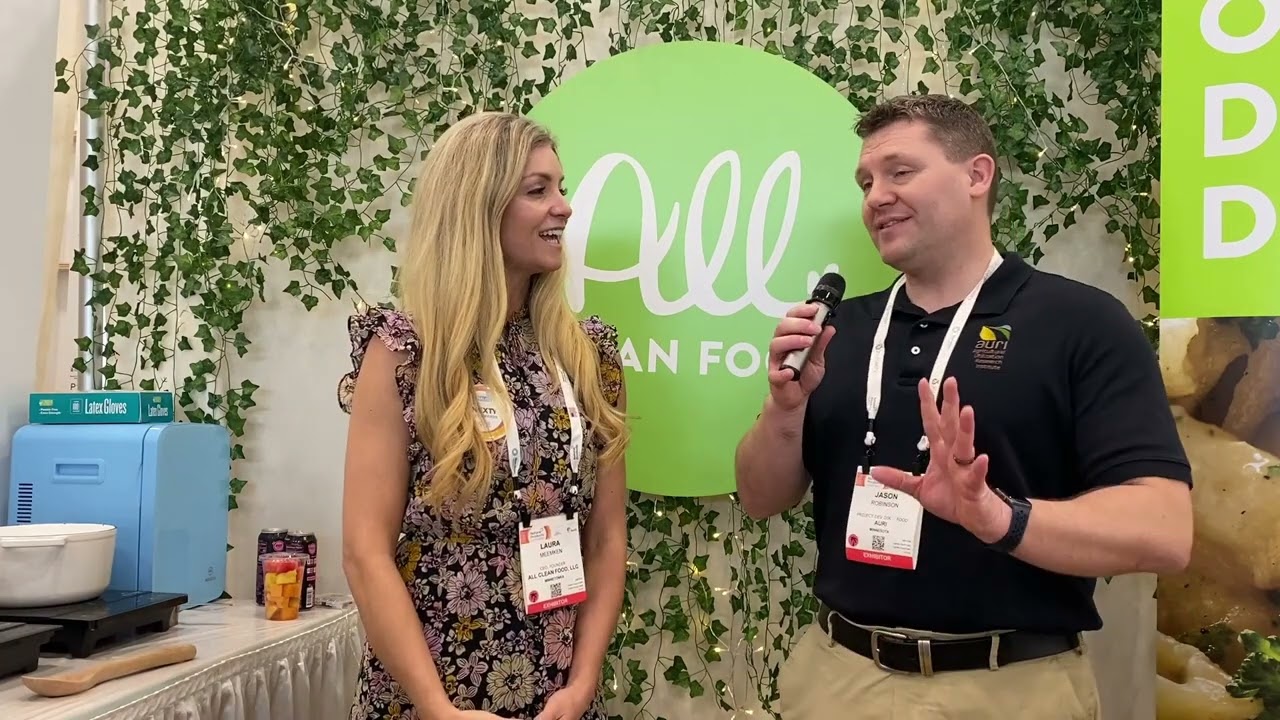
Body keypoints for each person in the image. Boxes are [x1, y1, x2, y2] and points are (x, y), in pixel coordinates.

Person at [733, 94, 1193, 719]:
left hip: (1010, 687)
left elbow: (1164, 530)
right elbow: (761, 498)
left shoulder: (1081, 323)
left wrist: (1000, 519)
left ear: (978, 175)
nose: (875, 197)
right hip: (838, 677)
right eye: (866, 181)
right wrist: (784, 409)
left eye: (901, 172)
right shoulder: (840, 330)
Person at [338, 111, 630, 720]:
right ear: (479, 208)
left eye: (562, 187)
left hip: (558, 691)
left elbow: (605, 538)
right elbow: (366, 550)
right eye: (538, 190)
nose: (565, 208)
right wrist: (436, 708)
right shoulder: (404, 354)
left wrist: (583, 684)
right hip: (433, 688)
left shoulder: (589, 355)